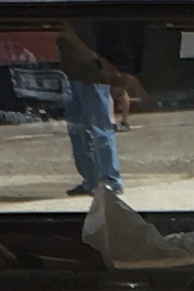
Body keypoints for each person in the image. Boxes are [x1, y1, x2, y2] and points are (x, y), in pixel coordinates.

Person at [49, 21, 134, 195]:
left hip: (92, 74)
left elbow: (95, 47)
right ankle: (91, 180)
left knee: (99, 127)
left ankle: (111, 180)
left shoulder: (85, 22)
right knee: (78, 129)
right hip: (71, 73)